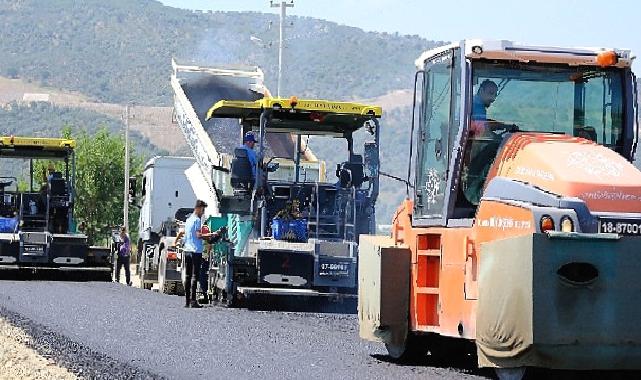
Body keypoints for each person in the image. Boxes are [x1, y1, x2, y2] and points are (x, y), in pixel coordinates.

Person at [182, 200, 214, 308]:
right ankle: (193, 301)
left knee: (187, 275)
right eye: (203, 210)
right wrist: (210, 235)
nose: (203, 212)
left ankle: (187, 301)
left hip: (187, 250)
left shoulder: (188, 220)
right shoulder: (196, 220)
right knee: (195, 276)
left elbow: (186, 236)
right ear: (199, 208)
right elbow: (198, 235)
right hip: (196, 251)